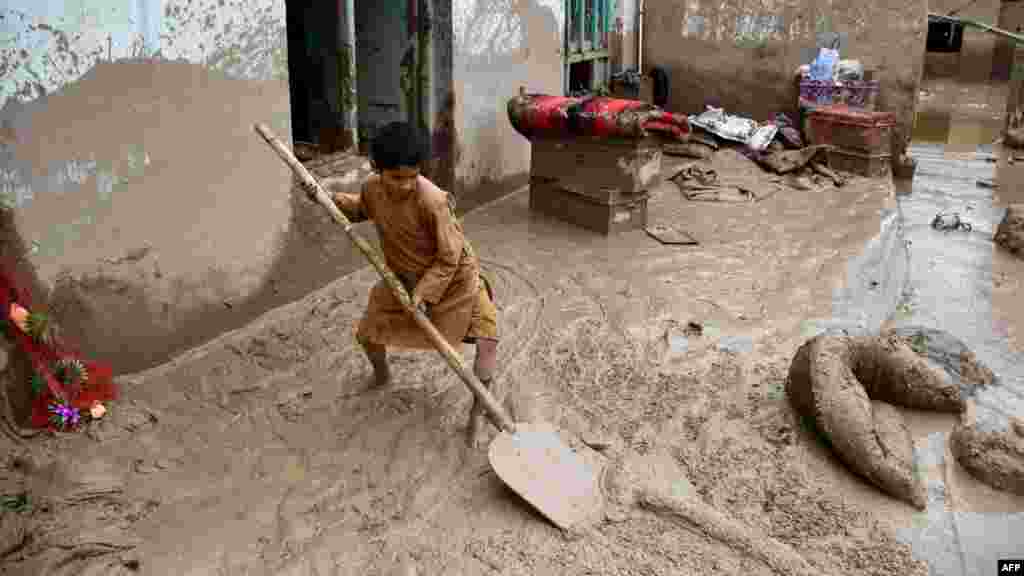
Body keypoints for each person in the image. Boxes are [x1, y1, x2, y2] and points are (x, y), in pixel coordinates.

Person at [324, 121, 500, 447]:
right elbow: (362, 209)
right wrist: (329, 198)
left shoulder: (433, 201)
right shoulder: (372, 189)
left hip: (456, 281)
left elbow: (450, 258)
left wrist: (423, 293)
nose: (405, 185)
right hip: (404, 279)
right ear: (378, 169)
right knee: (367, 334)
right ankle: (381, 376)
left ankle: (479, 413)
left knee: (488, 341)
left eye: (411, 176)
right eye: (396, 178)